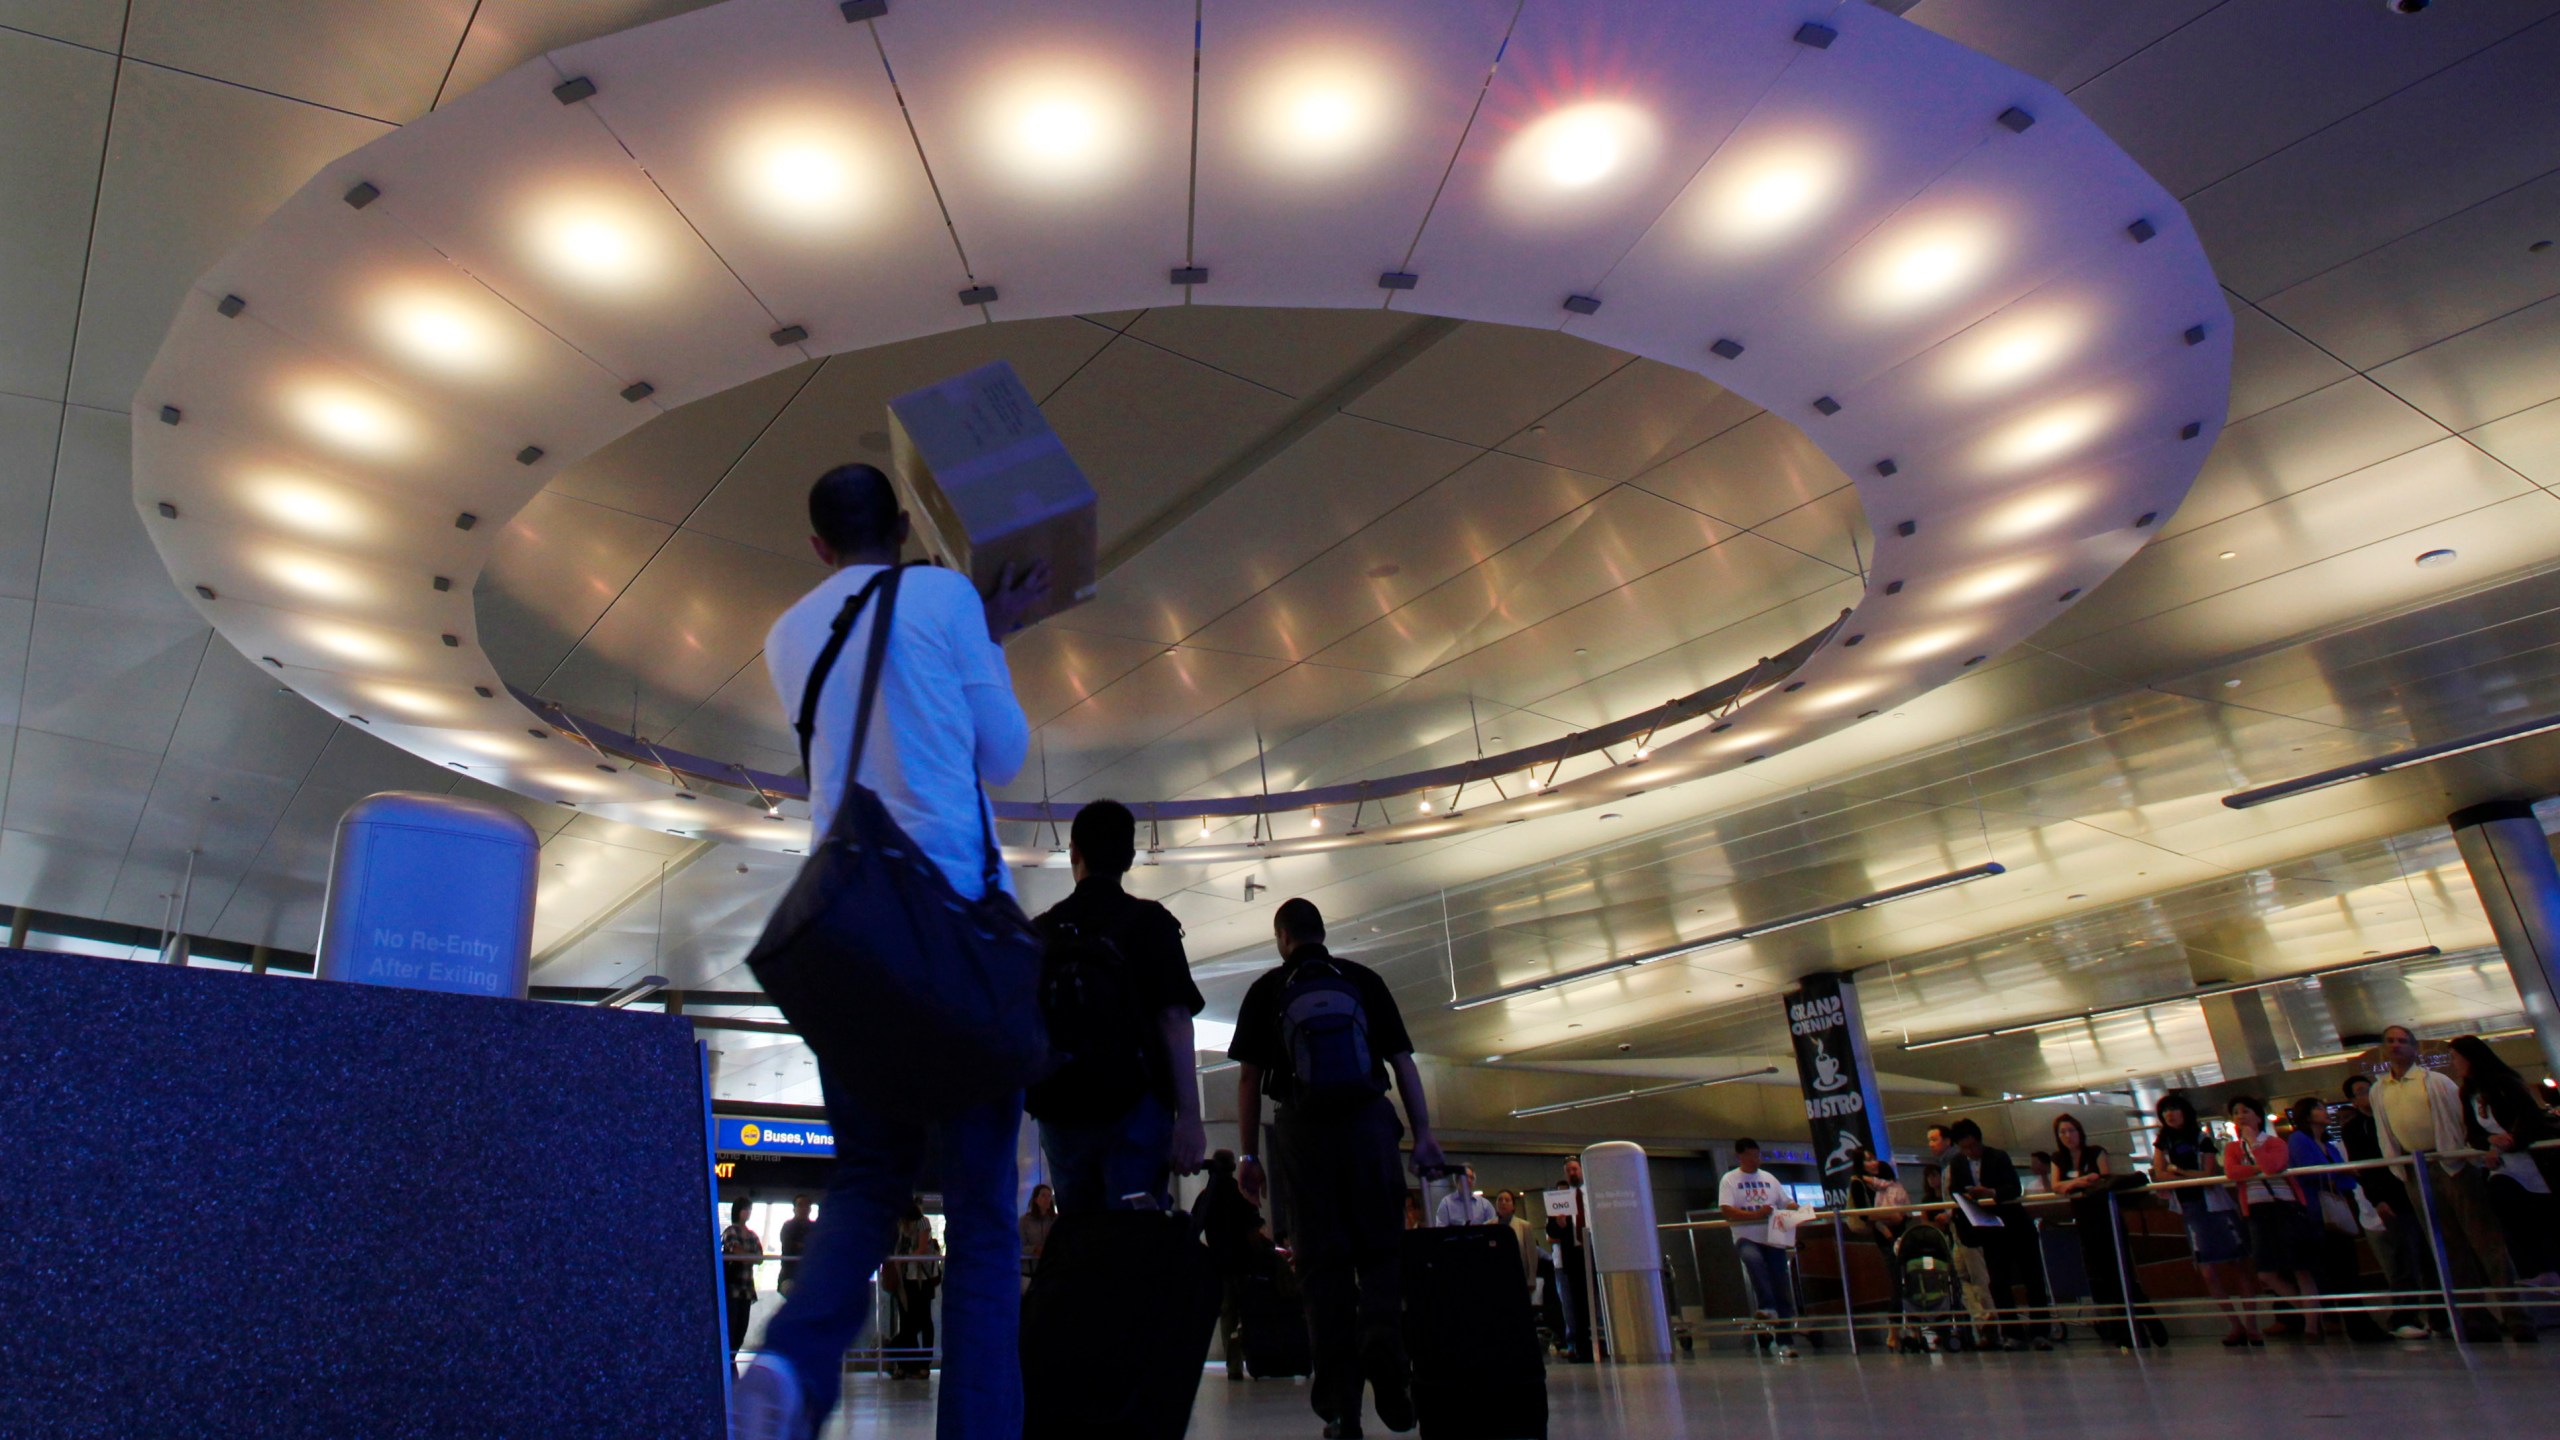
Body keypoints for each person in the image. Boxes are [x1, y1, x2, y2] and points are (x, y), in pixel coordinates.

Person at [734, 461, 1048, 1440]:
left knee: (868, 1183)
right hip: (952, 939)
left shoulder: (787, 634)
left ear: (819, 547)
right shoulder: (946, 594)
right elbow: (999, 754)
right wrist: (984, 638)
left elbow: (877, 692)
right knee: (985, 1221)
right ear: (907, 524)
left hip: (856, 946)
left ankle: (787, 1364)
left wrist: (966, 636)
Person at [1231, 896, 1443, 1439]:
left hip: (1303, 1134)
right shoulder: (1362, 980)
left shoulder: (1266, 990)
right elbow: (1402, 1064)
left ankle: (1340, 1410)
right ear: (1323, 932)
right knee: (1379, 1253)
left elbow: (1249, 1081)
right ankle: (1386, 1354)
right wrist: (1423, 1137)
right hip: (1369, 1125)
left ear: (1282, 938)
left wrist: (1250, 1157)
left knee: (1321, 1270)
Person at [1027, 798, 1208, 1213]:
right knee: (1136, 1242)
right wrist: (1190, 1117)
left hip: (1062, 1108)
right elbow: (1175, 1019)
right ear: (1129, 856)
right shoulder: (1150, 924)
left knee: (1081, 1237)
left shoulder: (1043, 931)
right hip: (1136, 1104)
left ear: (1074, 852)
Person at [2371, 1023, 2537, 1341]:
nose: (2396, 1046)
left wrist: (2466, 1154)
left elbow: (2461, 1121)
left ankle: (2518, 1318)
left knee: (2486, 1243)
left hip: (2452, 1165)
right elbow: (2386, 1131)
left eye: (2402, 1041)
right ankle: (2476, 1321)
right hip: (2416, 1169)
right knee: (2448, 1249)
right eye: (2390, 1041)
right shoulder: (2380, 1090)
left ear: (2415, 1048)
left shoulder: (2436, 1082)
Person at [2449, 1036, 2560, 1307]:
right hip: (2505, 1165)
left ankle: (2549, 1268)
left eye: (2456, 1057)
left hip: (2531, 1160)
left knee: (2542, 1215)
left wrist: (2511, 1138)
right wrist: (2490, 1142)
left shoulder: (2504, 1083)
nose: (2454, 1064)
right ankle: (2537, 1269)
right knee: (2507, 1204)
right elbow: (2473, 1131)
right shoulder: (2469, 1093)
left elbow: (2529, 1116)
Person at [2153, 1090, 2262, 1346]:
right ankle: (2235, 1325)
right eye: (2165, 1111)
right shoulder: (2162, 1142)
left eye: (2174, 1109)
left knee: (2238, 1264)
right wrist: (2184, 1175)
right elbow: (2160, 1173)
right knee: (2208, 1272)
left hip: (2215, 1208)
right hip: (2190, 1209)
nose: (2170, 1114)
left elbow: (2208, 1173)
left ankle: (2253, 1325)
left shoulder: (2202, 1139)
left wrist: (2177, 1171)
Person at [2049, 1113, 2163, 1349]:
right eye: (2062, 1132)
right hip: (2084, 1220)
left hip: (2106, 1216)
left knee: (2121, 1271)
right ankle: (2128, 1330)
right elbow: (2057, 1185)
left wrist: (2077, 1183)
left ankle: (2150, 1325)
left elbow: (2103, 1178)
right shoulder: (2059, 1158)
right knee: (2103, 1276)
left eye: (2071, 1130)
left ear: (2079, 1131)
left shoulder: (2096, 1152)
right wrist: (2079, 1182)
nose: (2068, 1136)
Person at [2287, 1096, 2387, 1343]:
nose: (2324, 1112)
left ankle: (2357, 1322)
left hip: (2334, 1207)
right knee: (2334, 1268)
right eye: (2319, 1108)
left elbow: (2345, 1178)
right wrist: (2338, 1174)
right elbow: (2310, 1172)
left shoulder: (2329, 1145)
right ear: (2308, 1114)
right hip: (2316, 1212)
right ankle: (2353, 1322)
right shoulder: (2300, 1140)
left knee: (2346, 1267)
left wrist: (2338, 1175)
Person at [2339, 1072, 2431, 1339]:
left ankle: (2436, 1315)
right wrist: (2377, 1198)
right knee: (2405, 1256)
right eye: (2360, 1091)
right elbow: (2365, 1168)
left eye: (2370, 1088)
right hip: (2391, 1196)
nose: (2367, 1094)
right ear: (2353, 1100)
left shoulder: (2392, 1119)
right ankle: (2403, 1316)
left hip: (2412, 1191)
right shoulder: (2356, 1129)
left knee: (2425, 1254)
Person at [1945, 1118, 2050, 1350]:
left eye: (1972, 1146)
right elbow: (1954, 1191)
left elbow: (2013, 1187)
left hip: (2016, 1225)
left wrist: (1992, 1192)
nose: (1970, 1152)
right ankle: (2012, 1332)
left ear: (1980, 1141)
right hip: (1989, 1229)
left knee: (2032, 1278)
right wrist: (1968, 1199)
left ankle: (2041, 1330)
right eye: (1964, 1148)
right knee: (1998, 1282)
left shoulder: (1999, 1156)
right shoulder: (1958, 1163)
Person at [2223, 1095, 2323, 1338]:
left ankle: (2311, 1326)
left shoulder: (2275, 1143)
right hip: (2256, 1212)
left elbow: (2273, 1166)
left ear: (2258, 1116)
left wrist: (2255, 1149)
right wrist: (2256, 1167)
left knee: (2300, 1267)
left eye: (2246, 1110)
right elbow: (2232, 1172)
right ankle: (2309, 1312)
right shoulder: (2233, 1148)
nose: (2241, 1115)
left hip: (2285, 1208)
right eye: (2236, 1112)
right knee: (2265, 1270)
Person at [1718, 1138, 1802, 1360]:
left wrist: (1795, 1208)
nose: (1757, 1160)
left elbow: (1785, 1201)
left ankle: (1785, 1339)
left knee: (1780, 1284)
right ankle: (1766, 1305)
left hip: (1772, 1238)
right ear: (1740, 1156)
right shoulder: (1730, 1180)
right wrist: (1757, 1214)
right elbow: (1727, 1210)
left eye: (1758, 1155)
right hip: (1747, 1236)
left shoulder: (1769, 1178)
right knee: (1753, 1262)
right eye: (1752, 1156)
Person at [1192, 1151, 1265, 1382]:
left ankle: (1234, 1366)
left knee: (1228, 1316)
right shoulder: (1240, 1193)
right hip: (1244, 1264)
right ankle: (1257, 1358)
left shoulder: (1206, 1196)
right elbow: (1254, 1231)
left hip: (1219, 1265)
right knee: (1250, 1312)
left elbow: (1194, 1227)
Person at [1922, 1122, 1998, 1343]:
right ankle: (1984, 1319)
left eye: (1935, 1139)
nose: (1931, 1144)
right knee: (1960, 1275)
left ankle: (1991, 1320)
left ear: (1948, 1141)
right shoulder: (1946, 1164)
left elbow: (1960, 1194)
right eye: (1929, 1140)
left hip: (1967, 1227)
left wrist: (1951, 1212)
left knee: (1978, 1276)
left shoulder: (1959, 1162)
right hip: (1956, 1228)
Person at [1842, 1148, 1910, 1349]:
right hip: (1885, 1237)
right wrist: (1889, 1218)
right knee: (1896, 1283)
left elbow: (1904, 1210)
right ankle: (1894, 1331)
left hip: (1902, 1233)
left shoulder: (1886, 1181)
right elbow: (1866, 1215)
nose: (1872, 1163)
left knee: (1908, 1280)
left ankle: (1909, 1329)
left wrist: (1899, 1217)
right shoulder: (1859, 1183)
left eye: (1873, 1159)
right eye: (1867, 1160)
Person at [886, 1200, 944, 1379]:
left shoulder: (923, 1222)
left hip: (921, 1278)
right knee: (906, 1321)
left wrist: (903, 1258)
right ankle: (905, 1363)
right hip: (905, 1279)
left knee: (923, 1321)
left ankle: (922, 1362)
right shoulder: (899, 1225)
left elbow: (922, 1248)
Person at [1544, 1157, 1592, 1362]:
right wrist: (1560, 1224)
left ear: (1581, 1170)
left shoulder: (1593, 1194)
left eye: (1575, 1169)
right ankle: (1583, 1349)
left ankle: (1607, 1344)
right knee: (1578, 1305)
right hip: (1574, 1255)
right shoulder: (1562, 1198)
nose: (1572, 1173)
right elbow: (1550, 1230)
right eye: (1568, 1170)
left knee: (1598, 1302)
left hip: (1594, 1252)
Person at [723, 1200, 766, 1356]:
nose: (747, 1213)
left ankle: (733, 1356)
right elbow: (736, 1251)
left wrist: (744, 1255)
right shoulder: (731, 1231)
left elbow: (759, 1258)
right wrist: (749, 1256)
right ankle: (728, 1358)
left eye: (749, 1209)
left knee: (741, 1327)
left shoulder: (752, 1235)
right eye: (745, 1209)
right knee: (732, 1325)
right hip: (733, 1285)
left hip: (747, 1287)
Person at [1493, 1190, 1538, 1298]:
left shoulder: (1524, 1225)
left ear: (1513, 1206)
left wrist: (1531, 1280)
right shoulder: (1488, 1225)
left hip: (1519, 1275)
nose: (1503, 1202)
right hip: (1497, 1276)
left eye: (1507, 1200)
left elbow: (1531, 1255)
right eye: (1500, 1200)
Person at [777, 1196, 814, 1295]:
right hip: (789, 1275)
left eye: (806, 1205)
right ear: (794, 1209)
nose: (804, 1208)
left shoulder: (815, 1227)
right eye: (800, 1205)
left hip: (810, 1275)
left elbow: (818, 1247)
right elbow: (788, 1246)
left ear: (810, 1209)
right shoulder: (788, 1226)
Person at [1018, 1184, 1055, 1283]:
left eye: (1049, 1196)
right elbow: (1019, 1245)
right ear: (1036, 1199)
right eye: (1043, 1195)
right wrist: (1034, 1249)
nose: (1047, 1199)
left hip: (1051, 1267)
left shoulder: (1055, 1220)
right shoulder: (1024, 1221)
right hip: (1031, 1268)